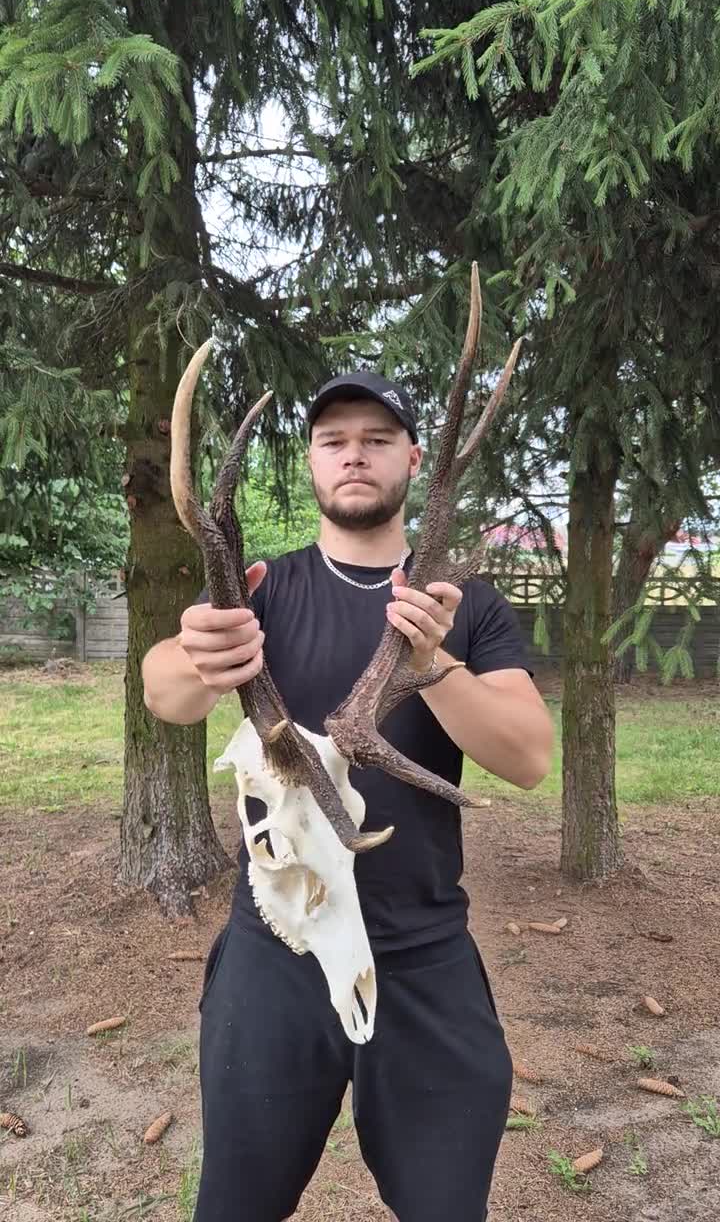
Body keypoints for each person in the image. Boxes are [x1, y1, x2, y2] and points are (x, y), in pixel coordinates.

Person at [143, 371, 554, 1222]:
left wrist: (430, 660)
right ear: (311, 465)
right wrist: (196, 654)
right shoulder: (265, 589)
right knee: (236, 1206)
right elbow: (165, 694)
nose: (354, 454)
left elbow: (527, 757)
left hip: (423, 958)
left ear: (412, 457)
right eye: (333, 440)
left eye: (374, 438)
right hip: (275, 952)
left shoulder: (465, 607)